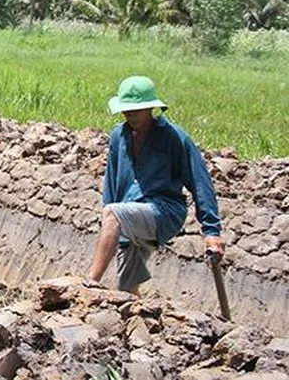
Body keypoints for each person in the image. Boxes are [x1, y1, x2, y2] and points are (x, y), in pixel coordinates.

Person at [86, 75, 224, 295]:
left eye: (136, 110)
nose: (129, 114)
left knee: (113, 214)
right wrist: (112, 227)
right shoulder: (118, 137)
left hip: (164, 212)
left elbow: (200, 183)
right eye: (126, 110)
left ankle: (89, 284)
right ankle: (136, 323)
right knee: (126, 290)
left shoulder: (174, 138)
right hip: (128, 213)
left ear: (151, 108)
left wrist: (211, 231)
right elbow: (111, 183)